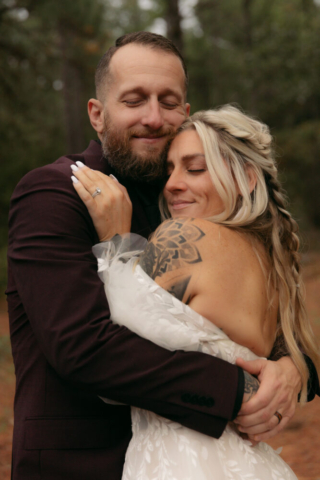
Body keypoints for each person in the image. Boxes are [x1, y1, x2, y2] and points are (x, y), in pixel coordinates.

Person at [6, 32, 319, 480]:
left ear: (185, 113)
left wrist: (290, 367)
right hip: (84, 464)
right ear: (98, 114)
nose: (154, 117)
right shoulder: (54, 192)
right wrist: (239, 389)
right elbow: (82, 347)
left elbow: (258, 302)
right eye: (134, 100)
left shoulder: (197, 197)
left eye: (168, 101)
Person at [71, 105, 320, 478]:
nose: (171, 183)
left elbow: (113, 345)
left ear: (246, 178)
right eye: (169, 168)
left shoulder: (183, 235)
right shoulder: (272, 262)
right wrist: (291, 368)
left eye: (195, 168)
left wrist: (116, 239)